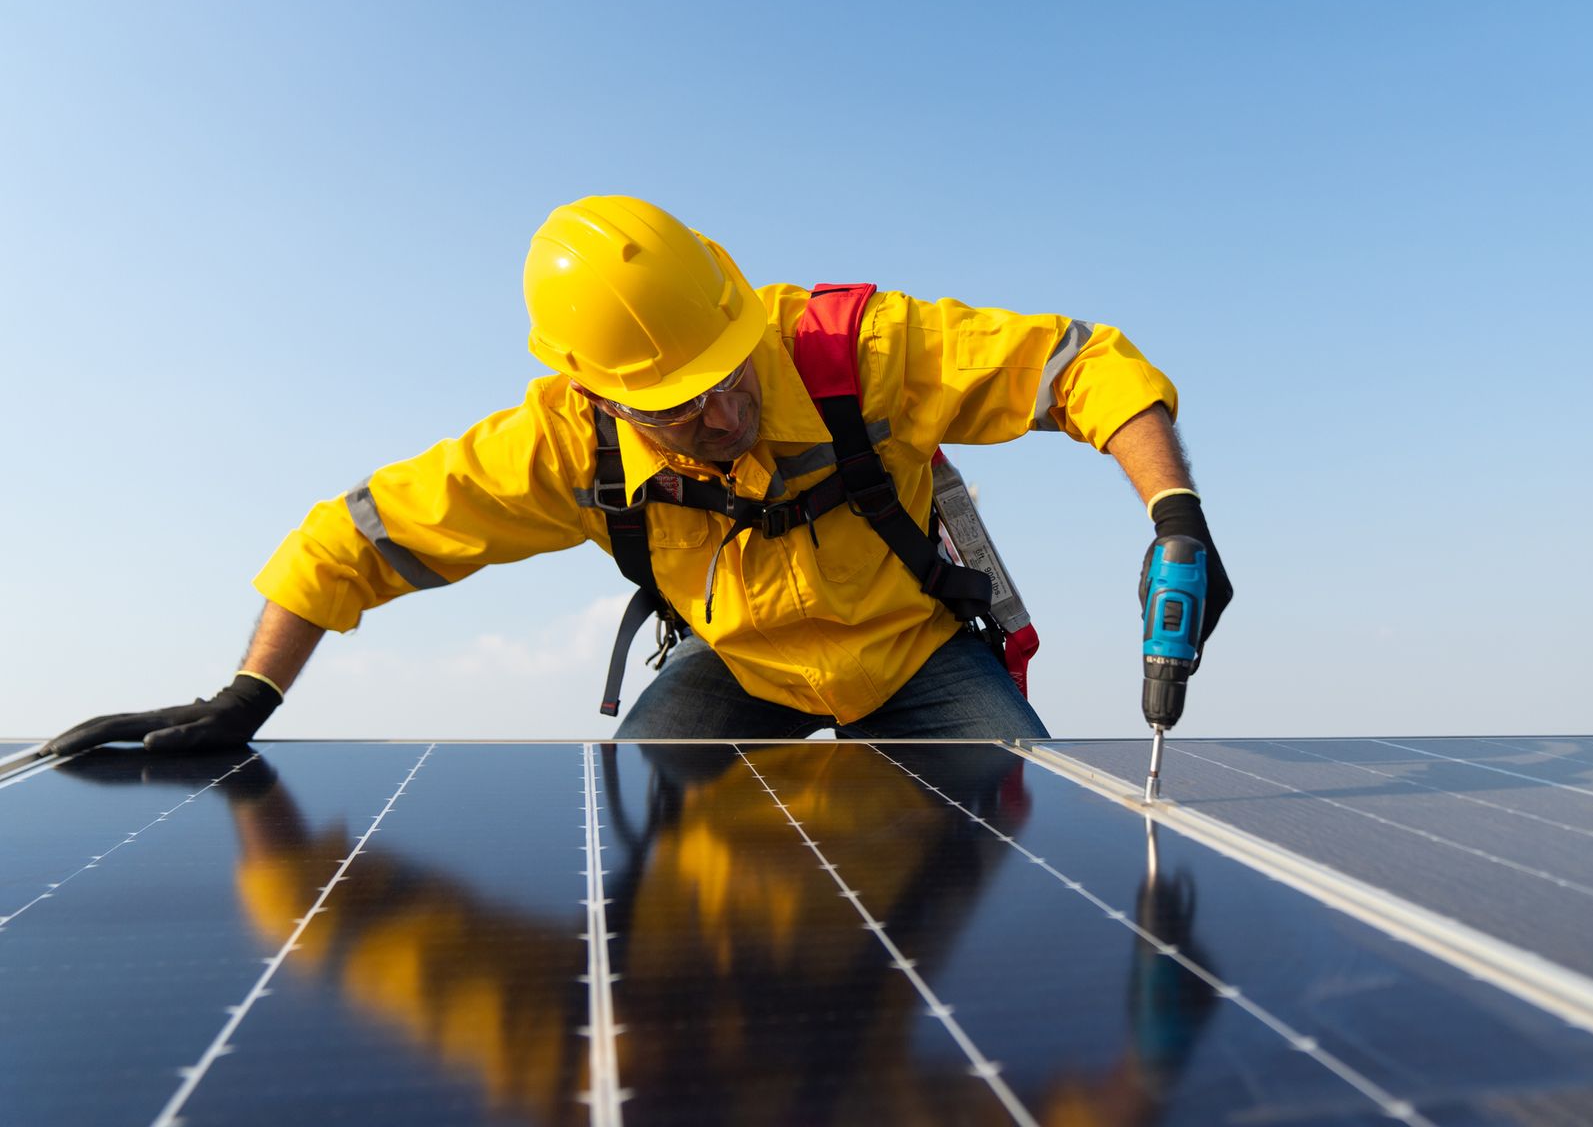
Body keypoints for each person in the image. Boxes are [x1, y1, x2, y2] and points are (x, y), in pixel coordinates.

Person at [41, 196, 1230, 755]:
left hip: (914, 654)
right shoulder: (565, 447)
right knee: (639, 822)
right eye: (677, 404)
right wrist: (248, 693)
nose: (722, 410)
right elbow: (352, 536)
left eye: (726, 372)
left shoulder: (851, 349)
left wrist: (1174, 513)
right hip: (739, 665)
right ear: (597, 395)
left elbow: (1083, 365)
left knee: (1029, 821)